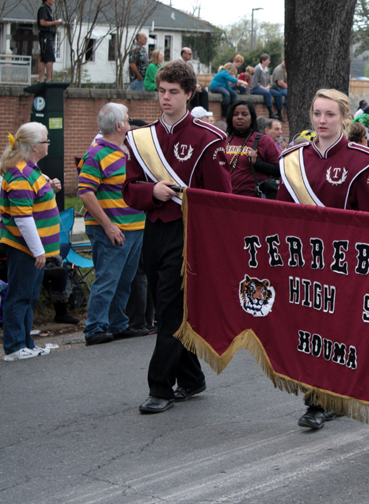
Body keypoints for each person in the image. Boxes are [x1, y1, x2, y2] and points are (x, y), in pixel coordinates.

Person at [123, 60, 232, 414]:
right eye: (161, 91)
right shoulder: (141, 139)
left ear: (189, 94)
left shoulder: (208, 139)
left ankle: (161, 387)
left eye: (173, 92)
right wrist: (150, 192)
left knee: (169, 309)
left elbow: (222, 199)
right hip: (153, 229)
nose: (165, 98)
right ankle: (191, 378)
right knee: (163, 301)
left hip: (188, 231)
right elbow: (128, 189)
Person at [277, 88, 369, 430]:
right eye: (317, 114)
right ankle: (318, 399)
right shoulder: (292, 159)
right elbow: (279, 213)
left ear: (344, 118)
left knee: (337, 331)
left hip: (344, 263)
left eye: (330, 115)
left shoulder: (364, 161)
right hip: (303, 261)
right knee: (310, 329)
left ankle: (327, 398)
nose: (322, 121)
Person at [78, 103, 149, 346]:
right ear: (119, 126)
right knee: (107, 279)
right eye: (128, 120)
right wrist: (107, 225)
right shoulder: (96, 154)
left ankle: (117, 323)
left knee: (124, 279)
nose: (130, 123)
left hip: (134, 226)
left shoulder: (126, 152)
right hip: (112, 228)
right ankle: (95, 327)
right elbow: (86, 192)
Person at [1, 123, 61, 361]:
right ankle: (15, 347)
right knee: (19, 296)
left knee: (28, 296)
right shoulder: (21, 174)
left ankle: (26, 343)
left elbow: (36, 202)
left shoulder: (30, 170)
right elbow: (23, 218)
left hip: (33, 248)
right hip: (24, 247)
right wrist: (38, 250)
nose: (48, 144)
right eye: (46, 141)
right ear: (35, 146)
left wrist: (50, 188)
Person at [224, 100, 281, 197]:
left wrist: (257, 163)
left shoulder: (264, 140)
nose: (239, 117)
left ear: (251, 118)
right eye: (235, 114)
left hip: (253, 198)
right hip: (227, 197)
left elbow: (279, 169)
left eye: (244, 114)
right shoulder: (224, 140)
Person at [36, 0, 62, 83]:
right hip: (45, 36)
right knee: (50, 58)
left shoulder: (49, 9)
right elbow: (42, 22)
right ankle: (48, 79)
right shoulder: (43, 9)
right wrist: (54, 22)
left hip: (49, 36)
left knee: (44, 58)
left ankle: (42, 79)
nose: (53, 1)